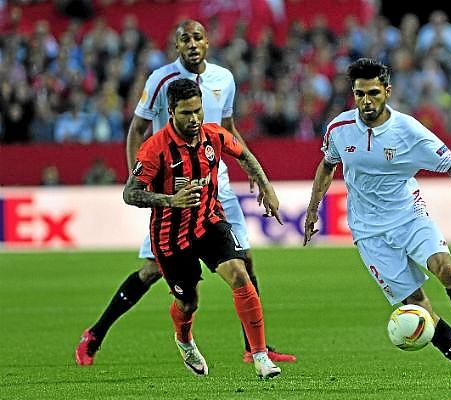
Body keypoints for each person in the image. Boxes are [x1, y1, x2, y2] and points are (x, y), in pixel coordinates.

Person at [75, 19, 295, 366]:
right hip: (173, 190)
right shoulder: (160, 80)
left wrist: (255, 175)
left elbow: (228, 129)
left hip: (216, 183)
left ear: (207, 42)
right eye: (185, 39)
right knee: (153, 271)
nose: (192, 44)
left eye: (198, 38)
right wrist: (145, 180)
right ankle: (95, 334)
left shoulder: (224, 78)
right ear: (176, 45)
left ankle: (256, 350)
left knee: (244, 260)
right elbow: (137, 128)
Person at [303, 58, 451, 389]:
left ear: (387, 92)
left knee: (445, 269)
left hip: (409, 215)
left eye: (373, 93)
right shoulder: (338, 129)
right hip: (368, 233)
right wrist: (313, 209)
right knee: (419, 308)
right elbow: (327, 165)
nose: (366, 101)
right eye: (360, 94)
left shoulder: (409, 131)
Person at [122, 78, 282, 378]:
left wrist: (266, 186)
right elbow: (130, 193)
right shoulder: (155, 149)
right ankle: (184, 340)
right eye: (186, 113)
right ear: (171, 112)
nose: (194, 118)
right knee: (188, 302)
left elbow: (244, 155)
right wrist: (170, 200)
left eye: (198, 110)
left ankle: (260, 356)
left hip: (209, 222)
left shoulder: (214, 136)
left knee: (240, 274)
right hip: (171, 238)